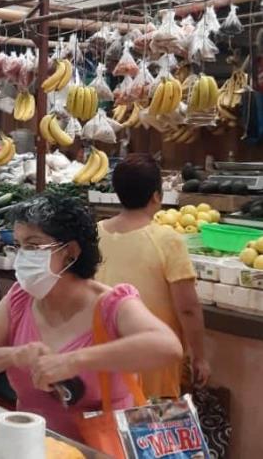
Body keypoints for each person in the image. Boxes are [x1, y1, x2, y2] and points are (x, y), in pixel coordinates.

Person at [0, 193, 183, 442]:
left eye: (33, 246)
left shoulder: (112, 305)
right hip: (34, 446)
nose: (23, 257)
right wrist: (13, 355)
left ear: (71, 252)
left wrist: (74, 361)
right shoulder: (21, 298)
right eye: (19, 246)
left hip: (102, 450)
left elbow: (167, 347)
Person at [96, 153, 210, 398]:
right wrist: (199, 357)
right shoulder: (167, 240)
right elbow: (188, 308)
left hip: (102, 355)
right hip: (153, 360)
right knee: (149, 431)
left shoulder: (95, 233)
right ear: (157, 196)